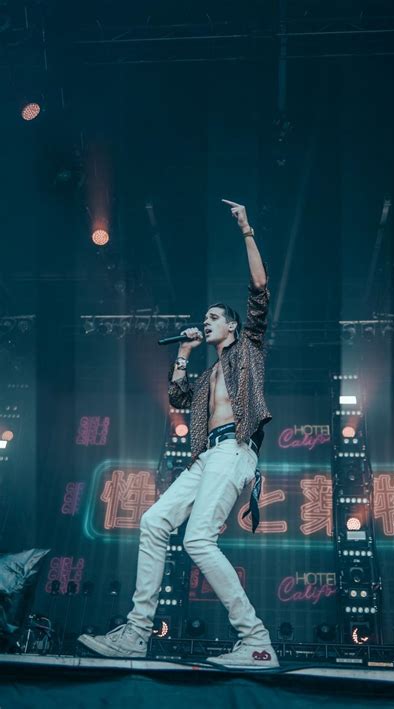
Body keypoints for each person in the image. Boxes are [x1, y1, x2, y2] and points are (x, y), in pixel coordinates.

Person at [78, 199, 278, 669]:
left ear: (231, 324)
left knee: (198, 540)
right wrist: (185, 352)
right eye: (204, 318)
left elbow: (260, 289)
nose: (206, 322)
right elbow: (177, 398)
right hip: (207, 456)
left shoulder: (248, 348)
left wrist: (247, 229)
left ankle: (256, 640)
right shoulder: (208, 377)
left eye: (213, 318)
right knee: (152, 523)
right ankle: (136, 634)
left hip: (235, 448)